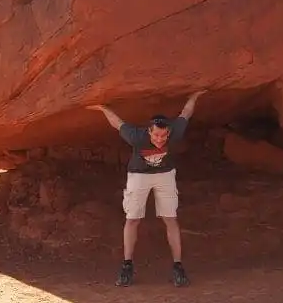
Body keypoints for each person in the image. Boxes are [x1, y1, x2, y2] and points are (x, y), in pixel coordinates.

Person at [87, 90, 206, 287]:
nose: (160, 140)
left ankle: (178, 266)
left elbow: (186, 113)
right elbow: (118, 123)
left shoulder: (174, 131)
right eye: (156, 135)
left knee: (170, 218)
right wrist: (102, 108)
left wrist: (195, 96)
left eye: (164, 136)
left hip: (165, 175)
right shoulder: (136, 137)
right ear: (149, 131)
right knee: (132, 219)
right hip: (139, 175)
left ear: (169, 132)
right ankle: (127, 265)